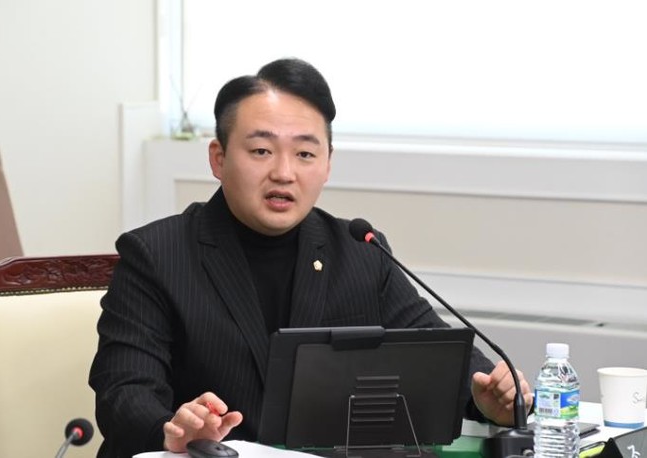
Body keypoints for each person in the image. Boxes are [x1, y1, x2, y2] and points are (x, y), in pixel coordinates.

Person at [89, 58, 533, 457]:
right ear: (219, 158)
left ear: (327, 163)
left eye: (304, 154)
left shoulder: (360, 251)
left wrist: (491, 399)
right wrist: (172, 429)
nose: (284, 173)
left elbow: (435, 356)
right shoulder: (156, 255)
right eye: (261, 151)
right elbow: (123, 392)